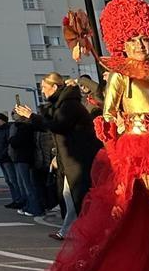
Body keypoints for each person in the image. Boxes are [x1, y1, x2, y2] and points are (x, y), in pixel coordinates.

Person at [16, 0, 149, 271]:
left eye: (143, 37)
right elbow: (110, 112)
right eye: (132, 39)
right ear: (121, 43)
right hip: (139, 148)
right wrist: (111, 125)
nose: (139, 44)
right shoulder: (120, 74)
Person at [16, 73, 101, 241]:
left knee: (77, 195)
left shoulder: (69, 104)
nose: (42, 91)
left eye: (44, 87)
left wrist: (32, 116)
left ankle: (86, 230)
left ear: (54, 87)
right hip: (68, 157)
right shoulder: (60, 104)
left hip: (80, 157)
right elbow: (52, 127)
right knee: (69, 195)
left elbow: (58, 126)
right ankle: (71, 229)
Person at [8, 111, 45, 216]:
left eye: (15, 114)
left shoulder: (24, 128)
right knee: (26, 184)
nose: (14, 117)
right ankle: (30, 206)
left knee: (27, 184)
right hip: (24, 158)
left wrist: (11, 139)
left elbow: (15, 142)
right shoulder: (26, 127)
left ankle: (35, 208)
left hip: (23, 158)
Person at [0, 114, 23, 208]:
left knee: (13, 180)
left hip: (7, 159)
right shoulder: (0, 131)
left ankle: (19, 199)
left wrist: (4, 154)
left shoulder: (7, 130)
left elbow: (7, 145)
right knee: (9, 180)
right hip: (2, 159)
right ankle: (15, 199)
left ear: (3, 120)